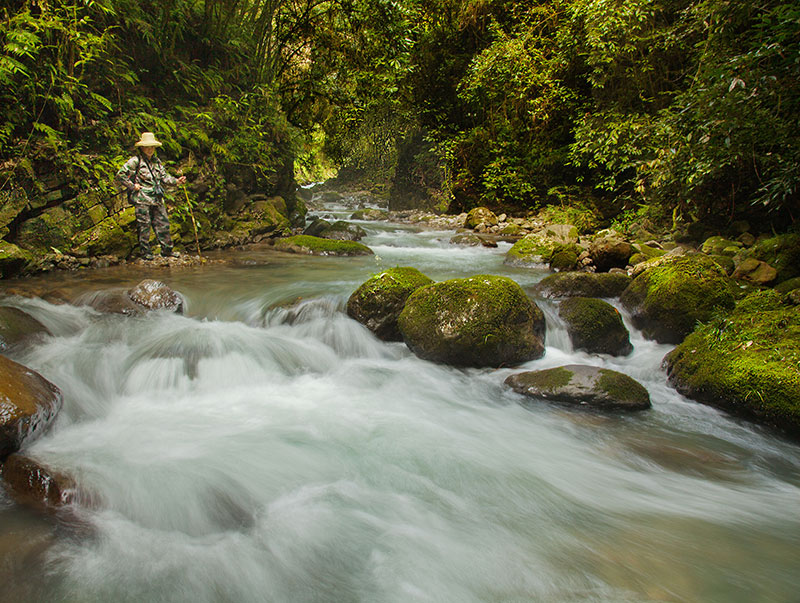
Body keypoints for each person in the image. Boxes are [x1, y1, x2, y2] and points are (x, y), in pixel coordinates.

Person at [116, 132, 186, 259]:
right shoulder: (135, 161)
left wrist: (177, 181)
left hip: (157, 199)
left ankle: (167, 250)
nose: (150, 149)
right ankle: (145, 252)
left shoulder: (157, 162)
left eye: (152, 147)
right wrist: (132, 186)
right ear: (142, 148)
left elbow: (164, 177)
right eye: (147, 147)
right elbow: (120, 175)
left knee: (163, 224)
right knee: (144, 226)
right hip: (142, 199)